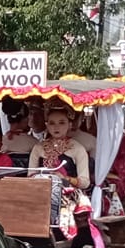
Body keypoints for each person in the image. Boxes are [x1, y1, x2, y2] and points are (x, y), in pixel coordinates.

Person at [29, 103, 90, 240]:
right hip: (40, 190)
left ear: (70, 124)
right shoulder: (38, 148)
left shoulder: (77, 149)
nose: (56, 127)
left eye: (61, 123)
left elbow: (85, 182)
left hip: (68, 192)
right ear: (46, 125)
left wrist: (64, 178)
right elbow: (30, 176)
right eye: (52, 123)